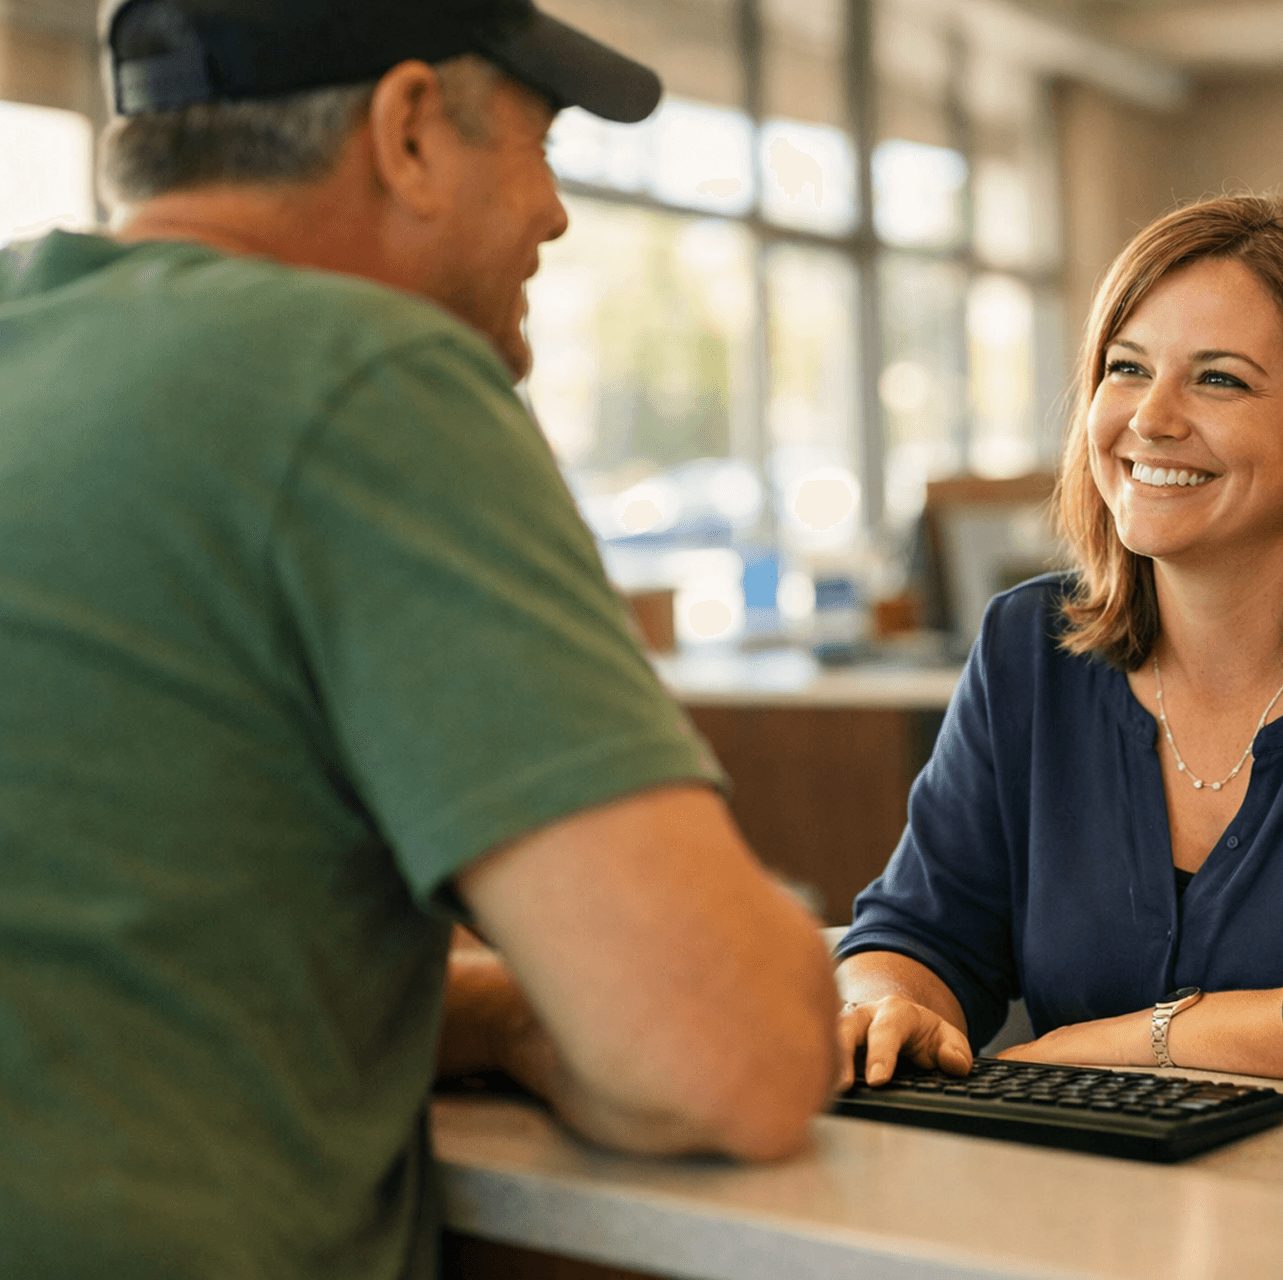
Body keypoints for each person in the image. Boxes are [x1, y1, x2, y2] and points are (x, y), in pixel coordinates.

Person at [0, 1, 837, 1276]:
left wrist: (491, 1012)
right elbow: (723, 1056)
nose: (555, 214)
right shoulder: (363, 373)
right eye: (540, 143)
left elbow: (133, 965)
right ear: (406, 133)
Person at [837, 195, 1283, 1093]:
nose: (1149, 419)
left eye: (1219, 379)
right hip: (1073, 1209)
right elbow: (918, 931)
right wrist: (887, 1003)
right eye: (1126, 369)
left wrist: (1138, 1039)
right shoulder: (1028, 647)